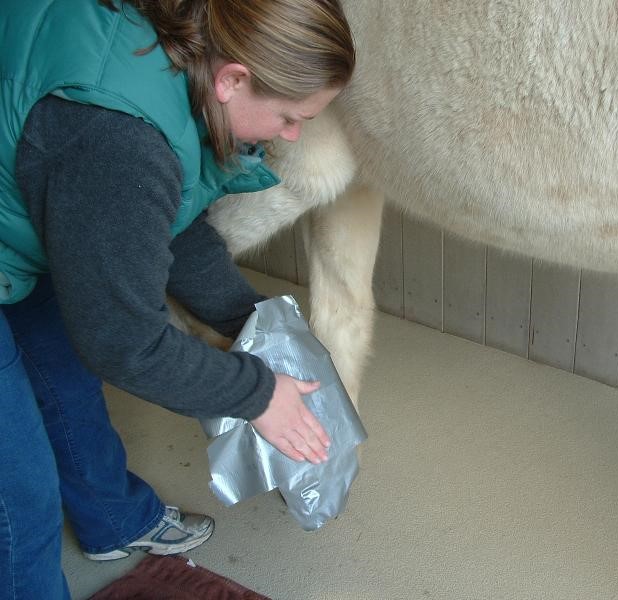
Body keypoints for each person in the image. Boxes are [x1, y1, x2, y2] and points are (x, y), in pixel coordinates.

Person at [0, 0, 355, 598]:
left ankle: (113, 521)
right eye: (289, 117)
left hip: (23, 195)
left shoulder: (178, 63)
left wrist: (248, 319)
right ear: (233, 79)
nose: (291, 135)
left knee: (63, 377)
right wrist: (258, 394)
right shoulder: (118, 138)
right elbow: (124, 344)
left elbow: (164, 221)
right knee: (17, 492)